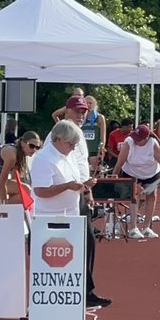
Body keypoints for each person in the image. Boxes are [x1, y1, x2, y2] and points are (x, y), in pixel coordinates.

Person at [31, 120, 110, 308]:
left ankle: (81, 292)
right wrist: (67, 186)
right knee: (54, 261)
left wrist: (85, 185)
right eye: (70, 143)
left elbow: (74, 180)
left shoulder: (68, 155)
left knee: (84, 248)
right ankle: (48, 300)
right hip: (52, 217)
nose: (73, 147)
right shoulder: (43, 159)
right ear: (58, 139)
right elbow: (40, 191)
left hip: (72, 212)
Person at [51, 95, 111, 307]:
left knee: (87, 241)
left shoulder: (79, 133)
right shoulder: (61, 133)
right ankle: (80, 290)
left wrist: (87, 191)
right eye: (77, 111)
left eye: (84, 112)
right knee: (78, 242)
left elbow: (81, 164)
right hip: (68, 197)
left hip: (80, 193)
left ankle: (84, 289)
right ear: (66, 111)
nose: (81, 115)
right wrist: (78, 187)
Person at [113, 123, 160, 239]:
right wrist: (114, 177)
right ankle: (133, 228)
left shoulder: (153, 144)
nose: (136, 141)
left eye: (139, 139)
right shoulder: (128, 143)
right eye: (135, 138)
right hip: (131, 172)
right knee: (134, 195)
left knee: (152, 196)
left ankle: (146, 227)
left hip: (151, 172)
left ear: (146, 139)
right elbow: (119, 163)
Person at [0, 131, 41, 203]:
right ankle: (2, 207)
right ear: (23, 143)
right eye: (31, 146)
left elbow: (15, 181)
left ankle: (3, 206)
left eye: (37, 147)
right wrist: (4, 206)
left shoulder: (19, 156)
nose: (34, 150)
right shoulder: (11, 155)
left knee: (24, 192)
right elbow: (2, 182)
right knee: (26, 190)